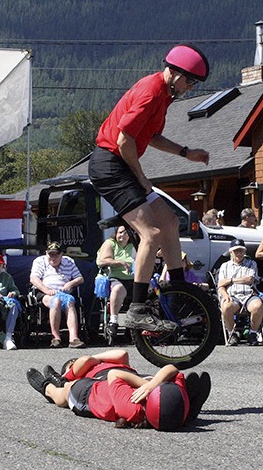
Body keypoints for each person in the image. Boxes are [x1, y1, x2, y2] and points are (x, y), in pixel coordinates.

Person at [87, 44, 210, 333]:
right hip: (110, 165)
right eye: (190, 81)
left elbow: (150, 135)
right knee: (150, 233)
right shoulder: (150, 92)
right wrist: (141, 176)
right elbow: (124, 140)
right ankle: (137, 309)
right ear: (174, 72)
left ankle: (180, 294)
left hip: (121, 164)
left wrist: (185, 152)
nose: (190, 88)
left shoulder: (165, 95)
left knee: (168, 222)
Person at [25, 351, 211, 430]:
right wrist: (151, 384)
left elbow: (114, 373)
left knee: (65, 391)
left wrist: (146, 385)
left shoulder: (132, 408)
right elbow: (172, 370)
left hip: (90, 395)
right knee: (67, 384)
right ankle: (184, 411)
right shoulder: (150, 399)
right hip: (113, 381)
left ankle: (46, 387)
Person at [29, 241, 86, 348]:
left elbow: (80, 278)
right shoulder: (40, 261)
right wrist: (47, 290)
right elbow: (34, 279)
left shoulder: (68, 261)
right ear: (46, 253)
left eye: (56, 255)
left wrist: (71, 283)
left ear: (61, 254)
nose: (53, 258)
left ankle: (73, 338)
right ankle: (56, 337)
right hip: (44, 293)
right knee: (56, 301)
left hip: (64, 292)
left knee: (70, 301)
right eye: (50, 255)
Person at [218, 238, 263, 346]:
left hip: (249, 294)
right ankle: (232, 334)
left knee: (258, 306)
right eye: (236, 251)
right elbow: (220, 285)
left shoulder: (251, 263)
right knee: (226, 306)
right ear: (231, 252)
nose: (239, 253)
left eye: (241, 250)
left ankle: (252, 333)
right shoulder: (224, 266)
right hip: (232, 296)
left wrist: (230, 280)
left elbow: (249, 279)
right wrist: (225, 295)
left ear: (245, 252)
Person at [96, 226, 135, 337]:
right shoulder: (110, 243)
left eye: (126, 232)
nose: (123, 235)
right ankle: (114, 321)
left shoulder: (133, 245)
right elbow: (102, 261)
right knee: (118, 288)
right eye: (120, 232)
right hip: (114, 277)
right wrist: (121, 262)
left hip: (133, 278)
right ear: (116, 233)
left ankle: (134, 324)